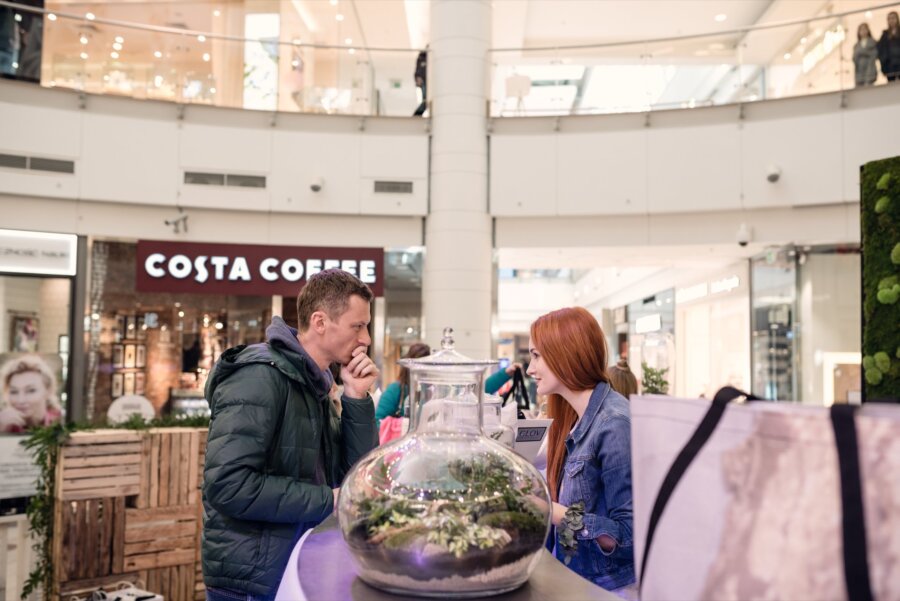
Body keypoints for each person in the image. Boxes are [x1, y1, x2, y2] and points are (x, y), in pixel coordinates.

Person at [201, 269, 379, 601]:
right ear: (320, 322)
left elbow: (351, 475)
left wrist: (356, 398)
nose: (366, 338)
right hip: (252, 581)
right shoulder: (259, 377)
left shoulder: (315, 382)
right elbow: (228, 485)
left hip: (293, 563)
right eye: (358, 326)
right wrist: (329, 500)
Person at [526, 307, 635, 594]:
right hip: (575, 580)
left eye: (536, 356)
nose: (530, 368)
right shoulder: (574, 418)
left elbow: (626, 536)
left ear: (565, 352)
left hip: (603, 589)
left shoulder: (614, 424)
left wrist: (551, 510)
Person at [375, 345, 520, 427]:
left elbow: (475, 391)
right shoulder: (397, 391)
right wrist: (402, 426)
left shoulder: (440, 389)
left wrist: (505, 374)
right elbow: (377, 422)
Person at [0, 355, 62, 433]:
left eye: (31, 391)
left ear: (48, 391)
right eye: (14, 392)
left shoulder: (62, 424)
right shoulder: (3, 423)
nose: (21, 400)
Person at [877, 11, 900, 81]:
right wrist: (884, 66)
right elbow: (880, 50)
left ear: (897, 19)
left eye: (893, 18)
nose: (891, 20)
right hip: (890, 67)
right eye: (889, 19)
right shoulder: (885, 35)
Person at [854, 22, 879, 86]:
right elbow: (855, 58)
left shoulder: (872, 42)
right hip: (860, 72)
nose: (863, 31)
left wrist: (862, 52)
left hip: (870, 69)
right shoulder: (856, 45)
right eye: (861, 30)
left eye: (865, 29)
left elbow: (874, 55)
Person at [413, 46, 428, 116]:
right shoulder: (422, 58)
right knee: (425, 101)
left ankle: (417, 114)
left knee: (425, 101)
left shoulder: (424, 58)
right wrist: (418, 79)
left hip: (425, 81)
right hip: (424, 81)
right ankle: (417, 115)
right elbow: (418, 70)